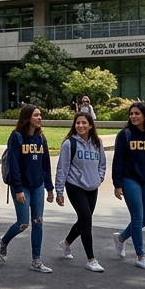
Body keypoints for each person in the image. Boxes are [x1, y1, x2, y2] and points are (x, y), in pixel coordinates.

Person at [111, 102, 145, 270]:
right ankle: (141, 256)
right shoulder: (125, 135)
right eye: (131, 114)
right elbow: (118, 161)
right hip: (130, 180)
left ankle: (121, 238)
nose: (133, 116)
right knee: (137, 217)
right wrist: (117, 184)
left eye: (137, 113)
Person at [0, 104, 53, 272]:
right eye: (36, 115)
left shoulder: (41, 138)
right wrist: (19, 188)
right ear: (28, 117)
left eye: (40, 115)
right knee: (23, 223)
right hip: (21, 187)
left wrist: (49, 188)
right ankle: (3, 242)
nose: (40, 118)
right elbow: (13, 165)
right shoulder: (17, 137)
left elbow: (46, 164)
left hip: (38, 186)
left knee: (38, 222)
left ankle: (36, 260)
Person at [55, 112, 107, 272]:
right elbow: (62, 168)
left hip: (92, 187)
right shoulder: (69, 144)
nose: (80, 126)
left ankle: (66, 243)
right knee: (86, 219)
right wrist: (59, 191)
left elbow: (102, 164)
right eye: (77, 123)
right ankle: (91, 259)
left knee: (84, 220)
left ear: (90, 125)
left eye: (84, 123)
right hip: (75, 185)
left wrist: (99, 178)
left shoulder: (97, 143)